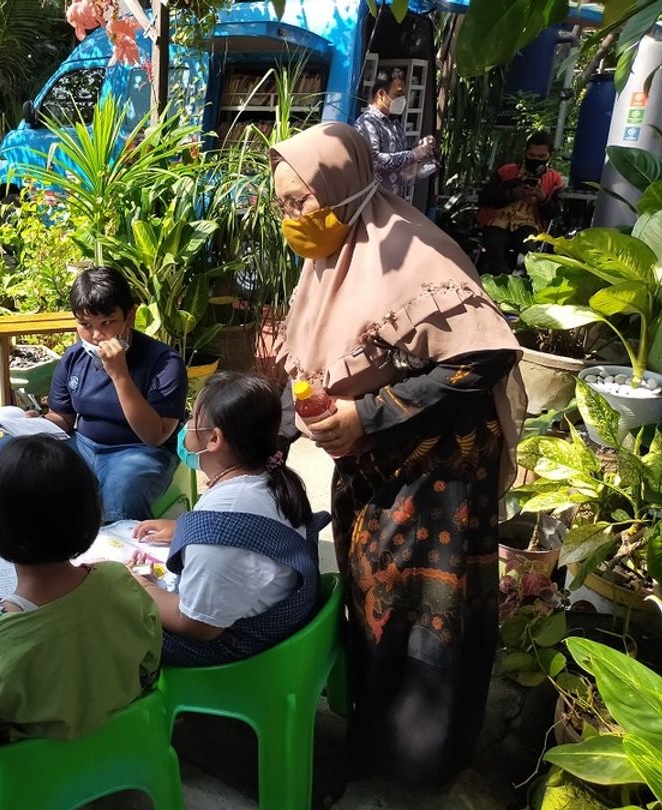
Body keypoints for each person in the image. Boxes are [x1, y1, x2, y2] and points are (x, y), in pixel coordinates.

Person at [270, 123, 526, 789]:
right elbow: (321, 366)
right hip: (371, 480)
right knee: (375, 614)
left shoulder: (411, 255)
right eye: (279, 205)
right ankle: (375, 746)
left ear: (344, 190)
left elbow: (485, 358)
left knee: (426, 625)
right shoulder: (330, 264)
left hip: (435, 485)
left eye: (298, 202)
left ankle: (418, 767)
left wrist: (368, 415)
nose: (289, 219)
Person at [0, 436, 162, 797]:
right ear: (90, 514)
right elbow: (150, 666)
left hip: (21, 772)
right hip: (118, 735)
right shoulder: (121, 582)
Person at [126, 372, 325, 667]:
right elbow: (250, 535)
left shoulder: (221, 518)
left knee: (109, 613)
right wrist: (185, 530)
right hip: (280, 625)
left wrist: (143, 589)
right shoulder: (272, 480)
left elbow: (198, 625)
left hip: (234, 651)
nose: (186, 427)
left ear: (214, 438)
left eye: (192, 419)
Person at [0, 266, 187, 522]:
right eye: (85, 325)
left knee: (124, 487)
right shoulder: (74, 357)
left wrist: (120, 375)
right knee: (6, 449)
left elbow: (154, 436)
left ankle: (117, 555)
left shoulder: (164, 362)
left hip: (138, 452)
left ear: (130, 316)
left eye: (107, 323)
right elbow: (63, 417)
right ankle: (18, 535)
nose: (96, 335)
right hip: (82, 446)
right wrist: (33, 423)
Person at [476, 131, 563, 275]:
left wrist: (543, 199)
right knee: (494, 245)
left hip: (529, 224)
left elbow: (555, 212)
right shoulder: (506, 171)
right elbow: (485, 197)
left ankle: (518, 283)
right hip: (498, 220)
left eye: (541, 157)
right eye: (531, 156)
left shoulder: (554, 179)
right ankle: (499, 281)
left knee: (527, 249)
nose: (536, 160)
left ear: (550, 155)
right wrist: (511, 194)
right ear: (526, 153)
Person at [354, 68, 435, 200]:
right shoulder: (367, 124)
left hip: (395, 202)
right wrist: (413, 154)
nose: (402, 99)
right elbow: (375, 161)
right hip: (373, 203)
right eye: (398, 94)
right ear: (381, 94)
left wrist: (420, 150)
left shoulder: (395, 124)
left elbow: (402, 159)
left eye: (403, 94)